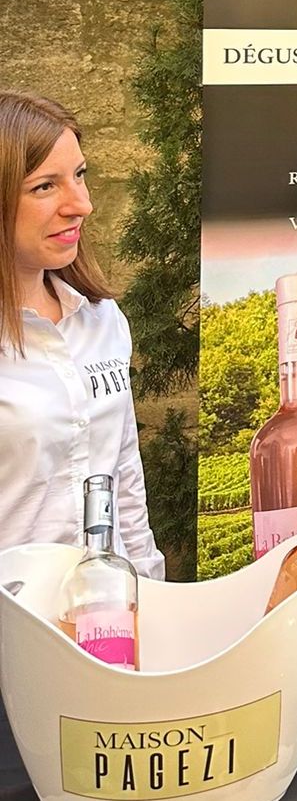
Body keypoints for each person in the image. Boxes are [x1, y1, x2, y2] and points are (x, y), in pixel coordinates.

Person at [0, 91, 163, 577]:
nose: (82, 205)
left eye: (79, 174)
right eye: (44, 186)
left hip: (107, 605)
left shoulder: (102, 320)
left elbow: (125, 478)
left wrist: (149, 588)